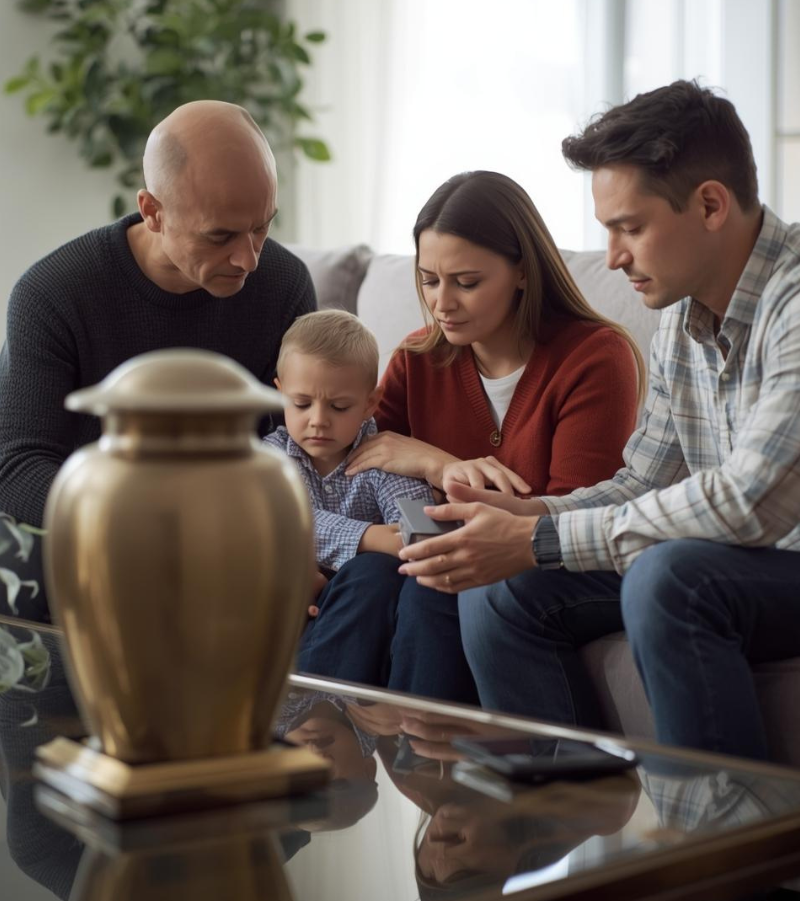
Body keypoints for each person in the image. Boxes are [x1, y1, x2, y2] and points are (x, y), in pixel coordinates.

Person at [400, 80, 800, 763]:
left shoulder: (791, 306)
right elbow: (641, 481)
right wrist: (528, 522)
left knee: (668, 577)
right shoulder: (682, 323)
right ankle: (565, 840)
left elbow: (748, 504)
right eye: (607, 231)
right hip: (730, 563)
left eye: (630, 228)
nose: (613, 256)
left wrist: (543, 541)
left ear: (709, 204)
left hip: (774, 563)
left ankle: (719, 857)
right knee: (501, 585)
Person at [298, 170, 643, 701]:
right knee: (377, 579)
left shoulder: (595, 357)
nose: (442, 303)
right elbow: (348, 473)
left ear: (522, 272)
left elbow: (574, 517)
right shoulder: (417, 359)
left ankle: (423, 765)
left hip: (556, 563)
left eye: (466, 282)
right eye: (429, 280)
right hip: (438, 560)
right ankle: (324, 746)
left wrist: (433, 462)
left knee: (433, 586)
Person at [0, 100, 316, 619]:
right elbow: (18, 470)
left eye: (262, 227)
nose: (249, 259)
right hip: (98, 560)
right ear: (152, 211)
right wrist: (157, 532)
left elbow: (300, 444)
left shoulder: (283, 285)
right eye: (221, 236)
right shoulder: (53, 294)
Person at [263, 309, 433, 620]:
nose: (318, 421)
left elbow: (421, 533)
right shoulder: (270, 458)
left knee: (378, 574)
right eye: (301, 404)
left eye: (339, 407)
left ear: (370, 404)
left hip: (364, 605)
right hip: (285, 602)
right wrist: (369, 537)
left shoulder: (384, 457)